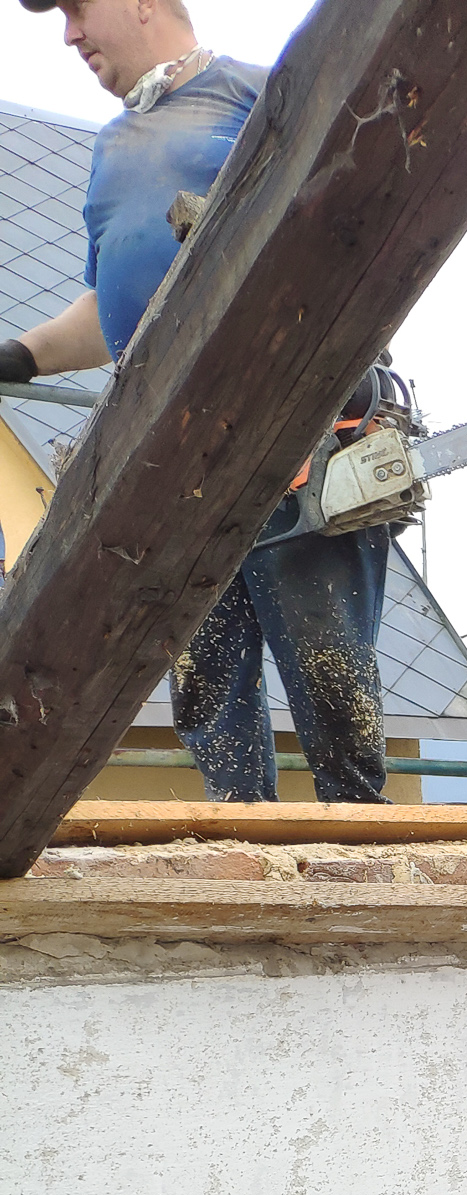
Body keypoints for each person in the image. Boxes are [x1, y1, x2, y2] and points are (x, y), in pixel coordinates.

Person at [0, 0, 391, 803]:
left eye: (77, 8)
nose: (69, 34)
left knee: (328, 673)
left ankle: (363, 842)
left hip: (292, 435)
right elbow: (111, 303)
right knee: (207, 689)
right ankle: (241, 839)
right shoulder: (114, 147)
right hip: (176, 461)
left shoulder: (265, 93)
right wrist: (24, 355)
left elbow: (356, 232)